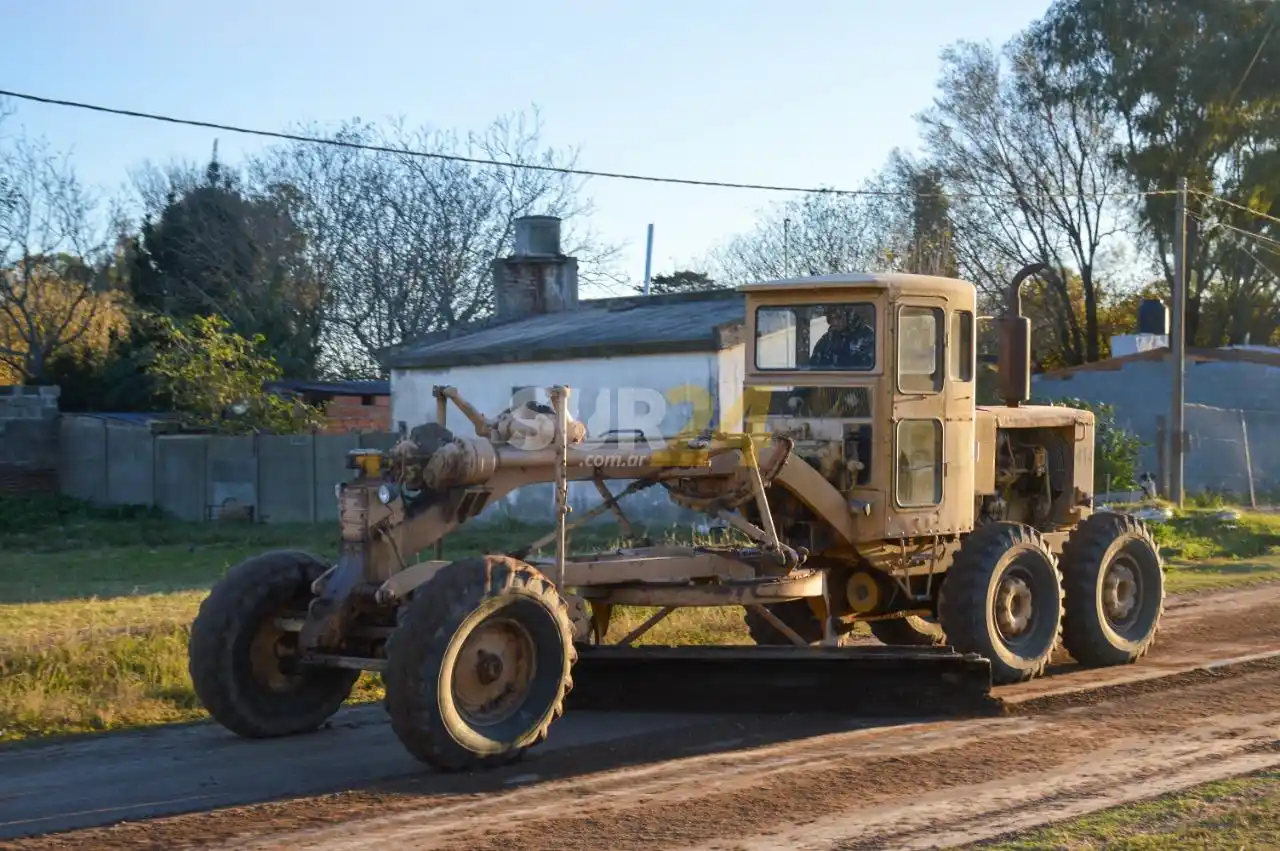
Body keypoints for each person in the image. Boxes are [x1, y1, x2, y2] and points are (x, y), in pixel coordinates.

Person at [810, 305, 874, 369]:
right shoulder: (828, 338)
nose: (834, 322)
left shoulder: (867, 337)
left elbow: (868, 369)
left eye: (838, 317)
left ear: (849, 316)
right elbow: (814, 364)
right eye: (830, 318)